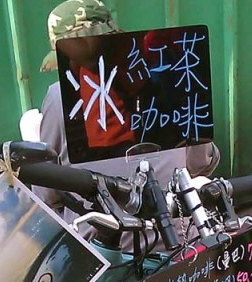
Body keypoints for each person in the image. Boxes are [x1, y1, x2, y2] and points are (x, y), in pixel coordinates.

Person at [35, 0, 219, 231]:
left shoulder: (58, 97)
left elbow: (47, 193)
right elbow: (202, 162)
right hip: (175, 237)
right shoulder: (173, 75)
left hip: (102, 248)